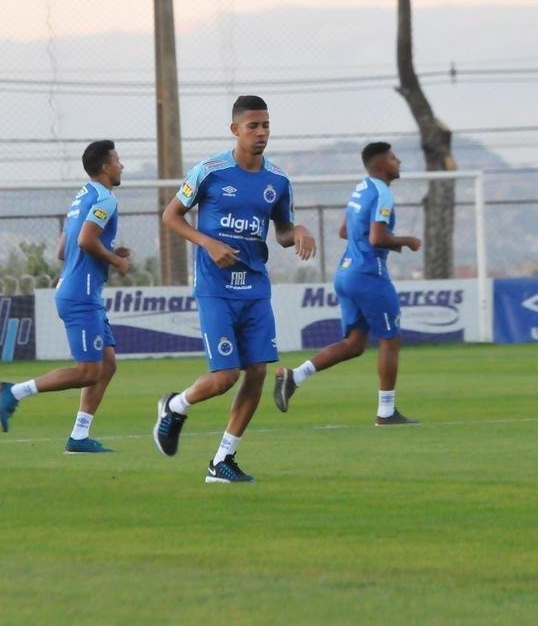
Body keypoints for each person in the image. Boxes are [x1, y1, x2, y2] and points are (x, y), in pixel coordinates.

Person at [152, 95, 317, 483]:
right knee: (225, 377)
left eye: (266, 127)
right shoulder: (210, 171)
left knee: (257, 371)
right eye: (253, 127)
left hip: (255, 288)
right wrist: (207, 242)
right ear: (235, 129)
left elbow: (282, 234)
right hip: (215, 288)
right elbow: (170, 216)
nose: (261, 134)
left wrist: (301, 230)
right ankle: (175, 405)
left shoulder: (278, 180)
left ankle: (222, 461)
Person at [0, 140, 130, 453]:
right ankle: (13, 392)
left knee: (106, 364)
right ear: (106, 167)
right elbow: (84, 241)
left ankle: (79, 437)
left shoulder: (81, 197)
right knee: (88, 371)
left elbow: (61, 249)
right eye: (118, 161)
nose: (121, 166)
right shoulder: (105, 198)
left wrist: (107, 252)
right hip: (80, 294)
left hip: (77, 289)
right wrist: (116, 260)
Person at [274, 141, 421, 424]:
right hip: (369, 275)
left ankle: (296, 375)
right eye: (393, 157)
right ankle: (386, 412)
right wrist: (406, 241)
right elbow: (378, 238)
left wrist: (369, 243)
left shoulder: (361, 188)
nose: (398, 161)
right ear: (381, 164)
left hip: (346, 271)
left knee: (354, 344)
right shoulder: (383, 194)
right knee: (390, 339)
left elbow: (344, 230)